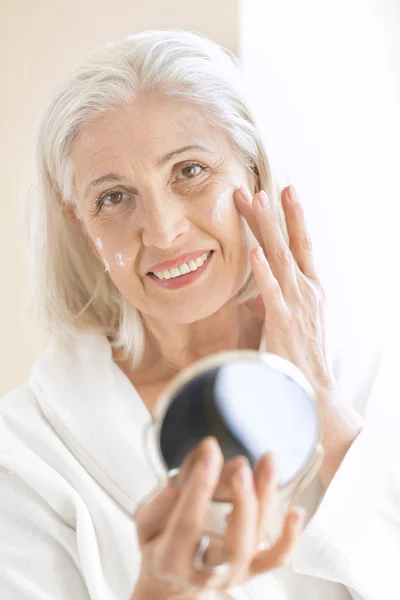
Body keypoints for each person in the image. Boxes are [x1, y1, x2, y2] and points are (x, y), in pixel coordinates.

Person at [0, 29, 398, 600]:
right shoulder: (25, 453)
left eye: (189, 171)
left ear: (253, 171)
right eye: (114, 197)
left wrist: (321, 400)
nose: (162, 231)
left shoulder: (373, 373)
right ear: (81, 225)